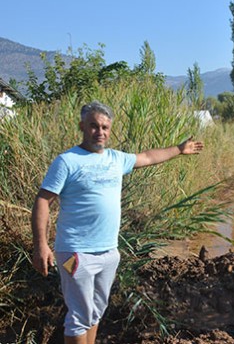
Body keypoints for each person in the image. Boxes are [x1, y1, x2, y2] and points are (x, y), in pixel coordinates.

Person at [31, 100, 203, 344]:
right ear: (82, 126)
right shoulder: (67, 161)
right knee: (80, 315)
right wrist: (41, 245)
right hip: (75, 253)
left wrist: (179, 149)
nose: (100, 132)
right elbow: (42, 201)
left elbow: (148, 157)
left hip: (109, 252)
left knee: (96, 311)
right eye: (94, 126)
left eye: (105, 127)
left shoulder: (116, 159)